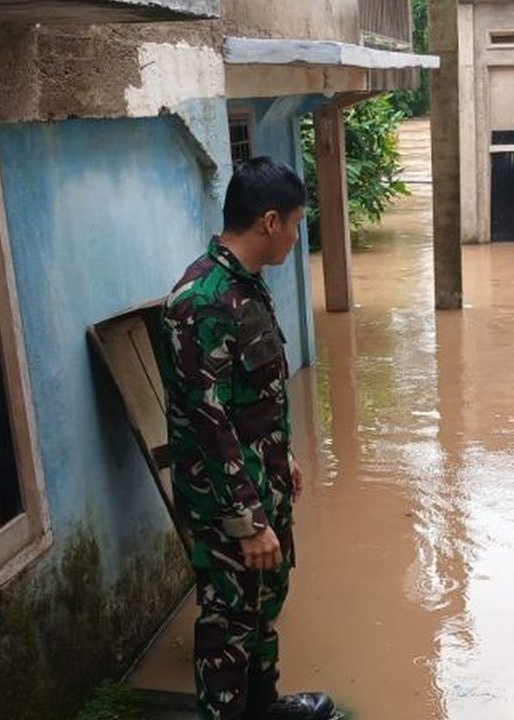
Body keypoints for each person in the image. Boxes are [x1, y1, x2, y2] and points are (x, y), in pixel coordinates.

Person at [159, 157, 334, 720]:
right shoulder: (198, 302)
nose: (296, 233)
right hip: (227, 506)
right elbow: (207, 423)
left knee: (263, 605)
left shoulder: (247, 286)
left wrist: (283, 463)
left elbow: (253, 395)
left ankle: (265, 706)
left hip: (263, 482)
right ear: (268, 222)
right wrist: (248, 520)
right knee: (228, 622)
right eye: (296, 221)